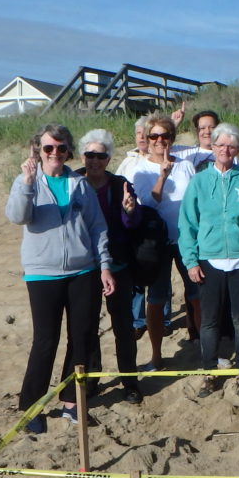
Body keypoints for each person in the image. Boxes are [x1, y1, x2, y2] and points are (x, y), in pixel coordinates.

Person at [5, 123, 115, 434]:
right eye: (48, 148)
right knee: (45, 340)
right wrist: (27, 182)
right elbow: (17, 216)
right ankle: (32, 406)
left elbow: (97, 228)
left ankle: (72, 402)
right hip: (43, 274)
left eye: (61, 148)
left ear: (68, 151)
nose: (55, 153)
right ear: (37, 151)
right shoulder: (26, 181)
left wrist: (104, 266)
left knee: (82, 337)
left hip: (83, 271)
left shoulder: (79, 184)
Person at [179, 123, 239, 397]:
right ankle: (210, 372)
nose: (225, 150)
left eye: (231, 146)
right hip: (210, 260)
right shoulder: (199, 182)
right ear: (213, 147)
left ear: (237, 150)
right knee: (209, 321)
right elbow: (187, 225)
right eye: (221, 145)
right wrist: (191, 261)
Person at [119, 114, 200, 370]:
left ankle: (200, 347)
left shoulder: (186, 165)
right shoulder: (140, 168)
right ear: (147, 138)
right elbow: (147, 203)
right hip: (155, 242)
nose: (159, 141)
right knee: (156, 298)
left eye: (165, 136)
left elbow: (194, 203)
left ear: (172, 139)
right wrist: (162, 176)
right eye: (154, 136)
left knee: (197, 294)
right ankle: (156, 356)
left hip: (187, 239)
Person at [76, 129, 143, 404]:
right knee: (87, 327)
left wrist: (129, 211)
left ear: (108, 158)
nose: (94, 161)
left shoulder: (120, 184)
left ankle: (130, 382)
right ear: (83, 156)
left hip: (118, 265)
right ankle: (92, 382)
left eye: (100, 156)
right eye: (90, 155)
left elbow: (132, 225)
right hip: (83, 267)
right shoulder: (73, 182)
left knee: (123, 327)